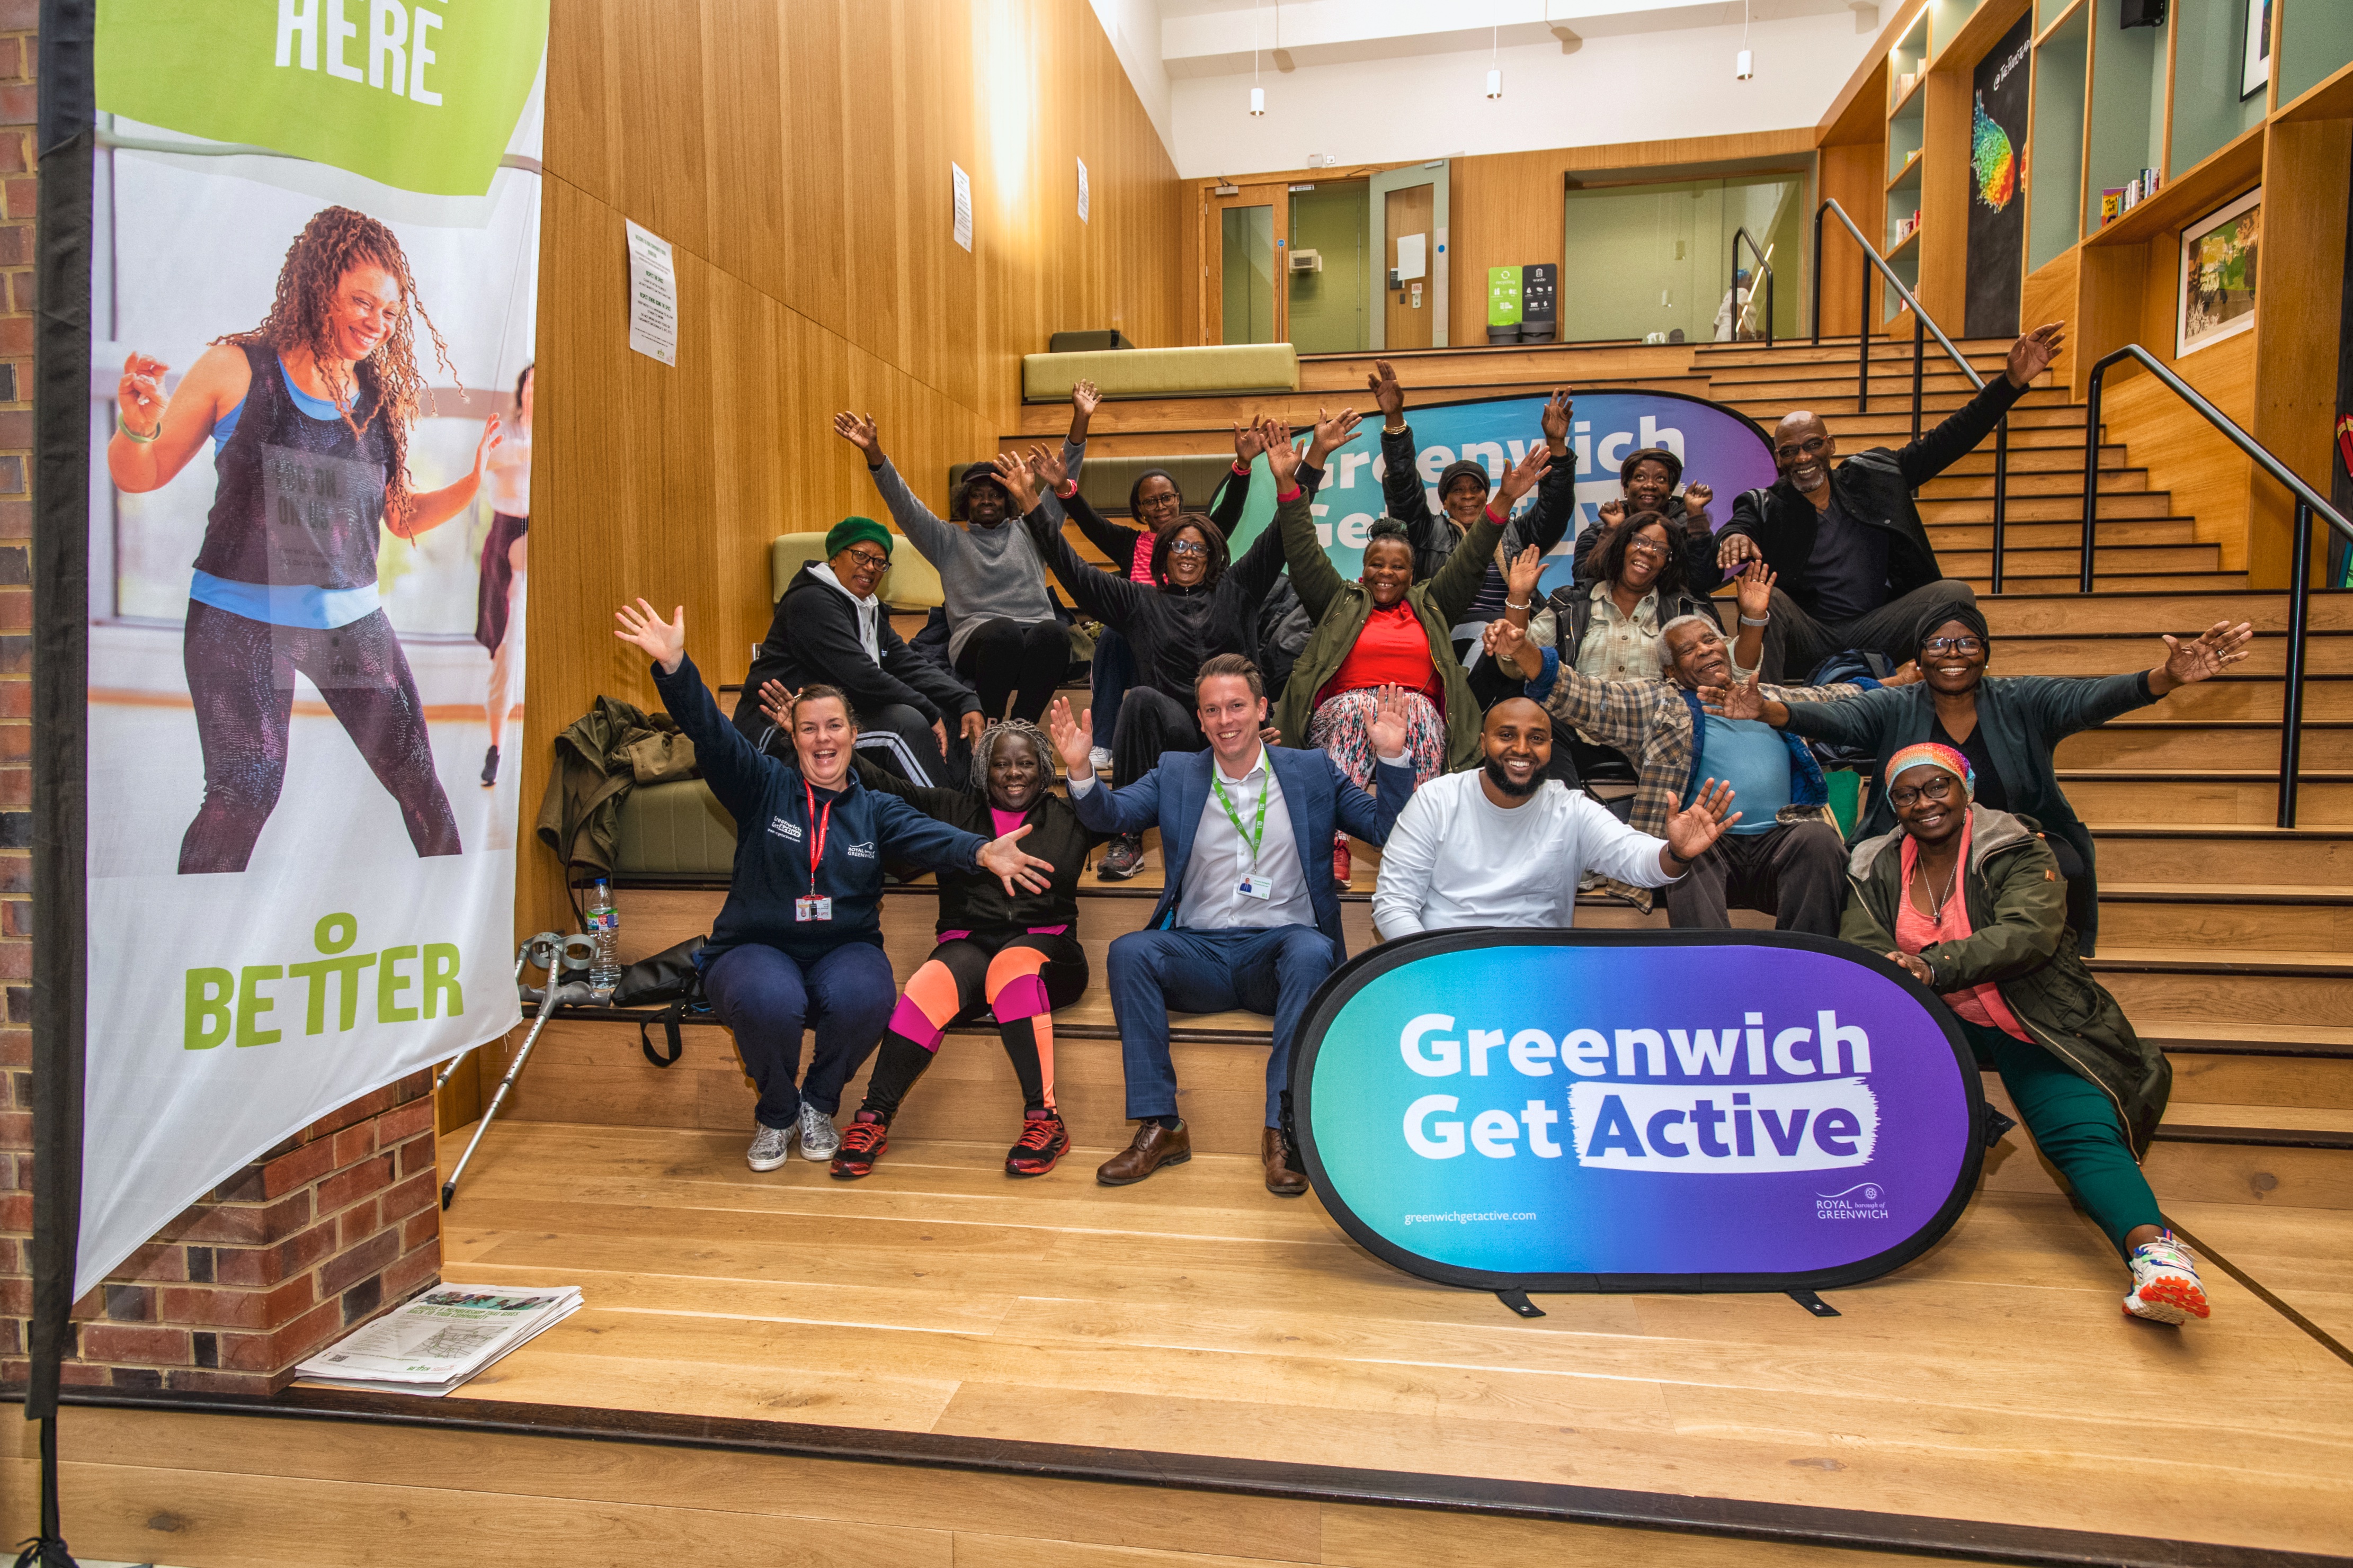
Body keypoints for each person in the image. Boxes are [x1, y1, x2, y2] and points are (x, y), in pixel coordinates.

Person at [109, 205, 495, 873]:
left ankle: (451, 933)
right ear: (318, 287)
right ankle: (195, 944)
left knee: (418, 783)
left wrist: (473, 484)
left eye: (390, 312)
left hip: (349, 624)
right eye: (361, 302)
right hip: (236, 622)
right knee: (245, 793)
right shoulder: (236, 369)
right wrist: (136, 428)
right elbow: (140, 475)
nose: (376, 323)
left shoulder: (378, 398)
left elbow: (397, 517)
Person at [612, 598, 1055, 1171]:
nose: (823, 740)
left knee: (868, 997)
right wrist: (676, 669)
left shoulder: (874, 807)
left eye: (834, 727)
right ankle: (776, 1113)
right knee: (769, 999)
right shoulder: (760, 786)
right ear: (793, 738)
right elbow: (712, 735)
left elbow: (928, 834)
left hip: (842, 947)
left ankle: (818, 1104)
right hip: (755, 946)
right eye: (809, 729)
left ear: (854, 734)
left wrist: (978, 850)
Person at [1842, 743, 2209, 1325]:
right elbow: (1860, 943)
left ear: (1964, 790)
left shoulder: (2015, 846)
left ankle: (2157, 1259)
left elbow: (2027, 935)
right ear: (1893, 806)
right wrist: (1896, 971)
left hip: (2030, 1017)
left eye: (1936, 787)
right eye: (1906, 795)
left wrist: (1931, 965)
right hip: (1931, 1021)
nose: (1923, 803)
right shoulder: (1873, 862)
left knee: (2079, 1132)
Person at [1044, 661, 1418, 1195]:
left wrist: (1391, 757)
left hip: (1279, 955)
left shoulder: (1311, 771)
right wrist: (1081, 772)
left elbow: (1387, 829)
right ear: (1199, 719)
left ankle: (1282, 1132)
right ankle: (1162, 1126)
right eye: (1213, 710)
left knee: (1310, 950)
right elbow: (1112, 815)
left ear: (1262, 709)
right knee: (1129, 952)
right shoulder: (1176, 772)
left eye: (1237, 706)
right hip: (1198, 953)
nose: (1226, 720)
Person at [1705, 606, 2253, 955]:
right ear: (1918, 657)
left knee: (2060, 861)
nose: (1952, 654)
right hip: (1913, 849)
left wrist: (2163, 678)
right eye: (1938, 644)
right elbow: (1831, 719)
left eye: (1965, 642)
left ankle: (2031, 971)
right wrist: (1768, 710)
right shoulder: (1894, 706)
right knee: (1857, 875)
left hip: (2010, 847)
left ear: (1984, 652)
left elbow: (2094, 699)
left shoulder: (2024, 701)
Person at [1485, 574, 1883, 925]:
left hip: (1778, 850)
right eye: (1689, 650)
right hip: (1708, 853)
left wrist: (1897, 684)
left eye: (1711, 640)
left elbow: (1837, 699)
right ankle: (1708, 981)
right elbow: (1586, 696)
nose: (1706, 650)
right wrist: (1523, 651)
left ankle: (1807, 974)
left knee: (1818, 840)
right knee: (1686, 847)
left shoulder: (1769, 698)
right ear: (1671, 671)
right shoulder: (1659, 703)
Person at [804, 718, 1102, 1181]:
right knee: (928, 982)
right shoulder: (951, 809)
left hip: (1049, 953)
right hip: (968, 947)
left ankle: (1045, 1121)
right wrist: (832, 741)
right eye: (1001, 764)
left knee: (1012, 966)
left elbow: (1124, 813)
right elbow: (882, 782)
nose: (1013, 773)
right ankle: (873, 1118)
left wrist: (1083, 770)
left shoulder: (1071, 817)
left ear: (1045, 770)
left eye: (1025, 763)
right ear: (984, 771)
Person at [1269, 420, 1553, 884]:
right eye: (1376, 564)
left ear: (1413, 571)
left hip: (1416, 721)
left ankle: (1417, 848)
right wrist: (1288, 482)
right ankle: (1332, 843)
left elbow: (1473, 555)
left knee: (1416, 710)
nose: (1386, 573)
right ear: (1362, 568)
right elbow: (1301, 549)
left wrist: (1503, 499)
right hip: (1343, 716)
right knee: (1366, 704)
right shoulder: (1338, 599)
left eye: (1398, 566)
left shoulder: (1431, 604)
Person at [1717, 321, 2065, 682]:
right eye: (1790, 451)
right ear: (1778, 459)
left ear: (1831, 446)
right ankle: (1764, 716)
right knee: (1767, 598)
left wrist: (2009, 384)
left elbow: (1948, 440)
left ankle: (1947, 706)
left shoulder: (1874, 476)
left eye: (1812, 445)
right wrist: (1733, 536)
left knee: (1954, 594)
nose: (1803, 458)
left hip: (1876, 628)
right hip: (1808, 634)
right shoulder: (1767, 504)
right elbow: (1739, 525)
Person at [1011, 449, 1293, 880]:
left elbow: (1278, 535)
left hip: (1238, 728)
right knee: (1140, 699)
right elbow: (1073, 570)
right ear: (1162, 553)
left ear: (1213, 554)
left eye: (1198, 548)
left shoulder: (1239, 590)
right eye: (1178, 545)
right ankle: (1128, 837)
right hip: (1179, 734)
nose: (1187, 554)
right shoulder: (1138, 602)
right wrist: (1033, 505)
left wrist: (1303, 471)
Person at [1372, 697, 1739, 935]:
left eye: (1537, 738)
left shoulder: (1571, 809)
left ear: (1551, 747)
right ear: (1483, 743)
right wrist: (1428, 967)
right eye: (1506, 735)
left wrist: (1677, 853)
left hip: (1541, 972)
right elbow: (1394, 903)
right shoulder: (1436, 800)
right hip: (1446, 965)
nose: (1521, 749)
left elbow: (1635, 859)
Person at [833, 400, 1081, 725]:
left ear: (1010, 499)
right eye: (978, 493)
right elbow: (904, 504)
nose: (987, 499)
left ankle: (1022, 726)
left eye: (996, 492)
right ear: (966, 501)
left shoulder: (1033, 529)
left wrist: (1081, 420)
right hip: (979, 644)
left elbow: (1063, 482)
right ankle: (991, 723)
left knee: (1055, 632)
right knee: (1003, 632)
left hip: (1033, 642)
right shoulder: (947, 540)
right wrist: (874, 455)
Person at [1071, 418, 1269, 774]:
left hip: (1191, 651)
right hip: (1140, 641)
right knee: (1114, 634)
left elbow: (1229, 511)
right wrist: (1063, 490)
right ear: (1140, 510)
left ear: (1179, 499)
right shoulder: (1130, 545)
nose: (1161, 506)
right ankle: (1103, 740)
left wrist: (1242, 467)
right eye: (1151, 501)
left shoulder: (1200, 536)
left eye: (1167, 497)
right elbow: (1088, 524)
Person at [733, 516, 983, 786]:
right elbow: (861, 676)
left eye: (879, 562)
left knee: (950, 715)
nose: (870, 567)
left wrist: (964, 699)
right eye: (861, 556)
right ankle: (948, 824)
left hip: (833, 719)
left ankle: (970, 813)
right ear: (834, 558)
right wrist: (926, 709)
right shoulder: (811, 602)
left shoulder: (869, 609)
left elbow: (908, 664)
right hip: (777, 733)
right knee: (903, 725)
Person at [1484, 510, 1726, 785]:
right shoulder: (1572, 604)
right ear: (1621, 545)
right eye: (1640, 541)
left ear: (1668, 563)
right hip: (1575, 731)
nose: (1648, 551)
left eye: (1660, 549)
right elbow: (1515, 666)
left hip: (1653, 734)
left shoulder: (1684, 609)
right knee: (1535, 721)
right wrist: (1518, 595)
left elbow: (1729, 667)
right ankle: (1561, 810)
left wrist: (1754, 619)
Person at [1365, 363, 1579, 641]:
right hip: (1449, 632)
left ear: (1487, 498)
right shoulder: (1425, 533)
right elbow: (1403, 485)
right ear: (1443, 502)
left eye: (1476, 489)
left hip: (1515, 628)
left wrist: (1556, 443)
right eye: (1457, 490)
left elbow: (1556, 509)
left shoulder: (1516, 534)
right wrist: (1394, 418)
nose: (1467, 496)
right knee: (1489, 634)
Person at [476, 363, 532, 786]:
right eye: (532, 384)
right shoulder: (507, 435)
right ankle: (496, 747)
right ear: (522, 390)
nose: (537, 391)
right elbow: (492, 464)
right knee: (505, 658)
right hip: (508, 538)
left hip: (542, 540)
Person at [1570, 446, 1718, 591]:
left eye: (1660, 479)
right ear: (1625, 488)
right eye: (1640, 477)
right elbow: (1585, 582)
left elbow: (1704, 582)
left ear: (1670, 490)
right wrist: (1612, 532)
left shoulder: (1689, 527)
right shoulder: (1598, 531)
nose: (1650, 485)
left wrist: (1696, 517)